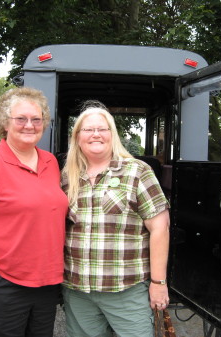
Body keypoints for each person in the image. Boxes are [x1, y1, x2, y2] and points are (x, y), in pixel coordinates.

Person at [0, 87, 69, 337]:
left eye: (36, 119)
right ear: (5, 123)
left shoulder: (50, 162)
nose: (29, 125)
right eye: (21, 119)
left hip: (46, 283)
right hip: (4, 284)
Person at [61, 100, 170, 337]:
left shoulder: (137, 171)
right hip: (78, 291)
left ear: (113, 135)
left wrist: (158, 283)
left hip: (126, 291)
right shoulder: (66, 177)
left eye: (102, 129)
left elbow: (160, 228)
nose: (95, 135)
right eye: (88, 130)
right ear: (77, 137)